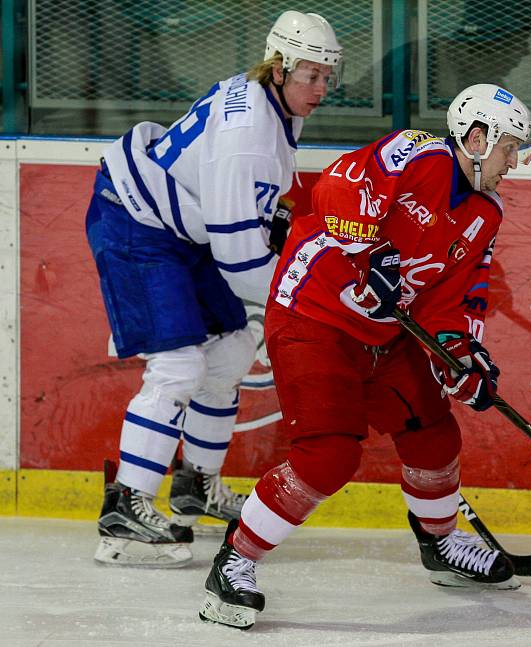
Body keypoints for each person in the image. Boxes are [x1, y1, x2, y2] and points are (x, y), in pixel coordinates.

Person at [198, 83, 531, 629]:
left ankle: (441, 546)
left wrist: (459, 358)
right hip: (314, 317)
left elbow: (451, 302)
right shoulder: (416, 152)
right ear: (477, 138)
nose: (513, 163)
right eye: (508, 148)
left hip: (385, 334)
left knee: (435, 432)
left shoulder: (486, 214)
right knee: (328, 454)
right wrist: (369, 251)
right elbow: (337, 187)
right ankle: (234, 563)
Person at [85, 11, 343, 567]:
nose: (321, 88)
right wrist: (308, 298)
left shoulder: (263, 97)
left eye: (329, 76)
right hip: (136, 225)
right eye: (310, 75)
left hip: (176, 225)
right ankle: (125, 508)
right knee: (179, 367)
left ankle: (194, 487)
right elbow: (238, 258)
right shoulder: (249, 134)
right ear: (278, 67)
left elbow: (230, 202)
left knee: (229, 350)